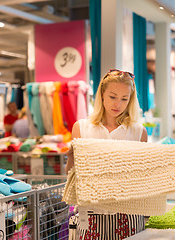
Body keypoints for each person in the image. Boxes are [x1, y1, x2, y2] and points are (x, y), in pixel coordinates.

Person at [65, 69, 148, 239]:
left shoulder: (138, 132)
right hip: (91, 212)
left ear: (130, 100)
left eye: (124, 99)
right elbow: (72, 175)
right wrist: (71, 158)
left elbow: (143, 178)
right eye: (112, 96)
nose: (118, 104)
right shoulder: (81, 128)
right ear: (102, 94)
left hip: (128, 214)